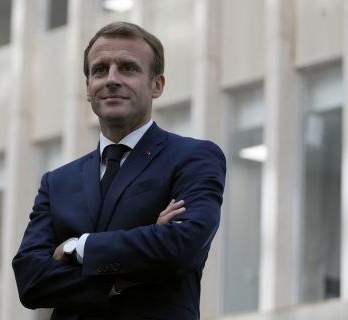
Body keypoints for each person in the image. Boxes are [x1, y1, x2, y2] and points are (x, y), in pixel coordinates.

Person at [12, 21, 226, 320]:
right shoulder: (57, 182)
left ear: (157, 85)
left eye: (128, 68)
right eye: (100, 70)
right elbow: (30, 279)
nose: (112, 79)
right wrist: (122, 276)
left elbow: (183, 245)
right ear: (87, 88)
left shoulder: (193, 157)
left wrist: (77, 247)